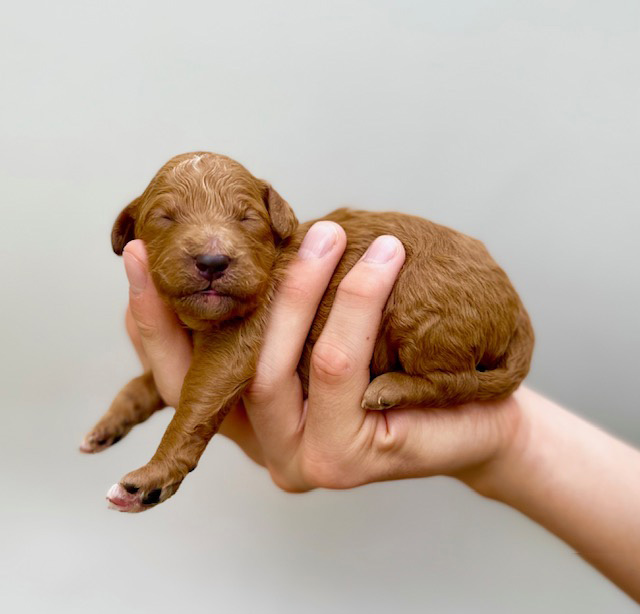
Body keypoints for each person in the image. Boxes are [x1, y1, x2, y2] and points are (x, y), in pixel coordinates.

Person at [121, 222, 640, 602]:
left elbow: (220, 370)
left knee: (427, 311)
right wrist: (510, 440)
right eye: (167, 219)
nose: (212, 248)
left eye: (244, 219)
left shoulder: (257, 280)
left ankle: (439, 378)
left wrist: (450, 395)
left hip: (452, 303)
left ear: (274, 219)